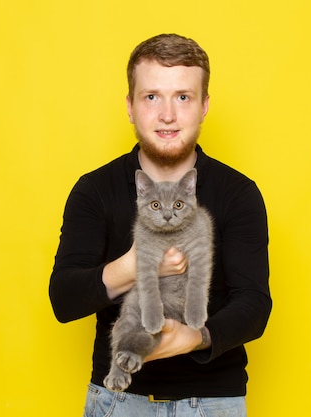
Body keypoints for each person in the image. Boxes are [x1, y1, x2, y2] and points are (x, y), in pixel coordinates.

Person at [49, 33, 271, 417]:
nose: (167, 114)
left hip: (214, 402)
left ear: (203, 106)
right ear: (130, 107)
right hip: (118, 401)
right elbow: (64, 300)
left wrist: (194, 338)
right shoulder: (94, 190)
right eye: (151, 96)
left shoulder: (238, 193)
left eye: (183, 97)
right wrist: (138, 265)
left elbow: (254, 304)